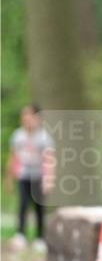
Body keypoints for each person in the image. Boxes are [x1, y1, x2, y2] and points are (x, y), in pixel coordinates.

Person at [6, 104, 55, 252]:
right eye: (24, 115)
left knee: (39, 207)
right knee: (23, 204)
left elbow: (49, 160)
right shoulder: (18, 136)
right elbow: (14, 157)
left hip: (38, 176)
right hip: (23, 175)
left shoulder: (44, 137)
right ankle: (20, 234)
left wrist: (49, 179)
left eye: (30, 115)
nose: (27, 119)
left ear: (37, 118)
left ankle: (40, 238)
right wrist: (9, 178)